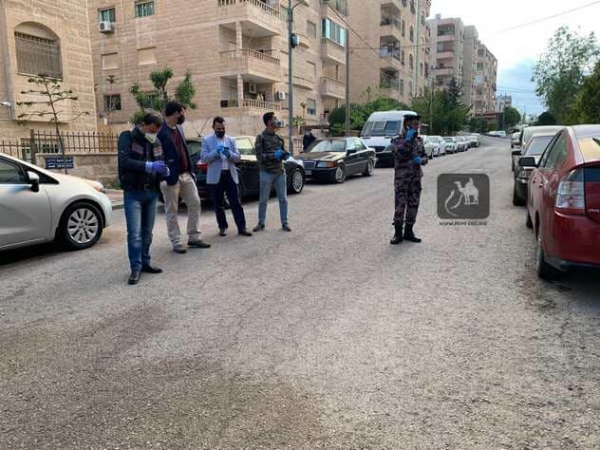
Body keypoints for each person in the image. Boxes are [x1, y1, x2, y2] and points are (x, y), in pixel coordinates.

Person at [118, 113, 169, 285]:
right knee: (135, 234)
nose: (153, 134)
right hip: (133, 192)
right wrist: (148, 166)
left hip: (151, 192)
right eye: (151, 130)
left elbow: (160, 161)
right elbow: (125, 161)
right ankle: (135, 268)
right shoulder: (128, 137)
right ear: (143, 125)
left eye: (156, 132)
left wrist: (164, 170)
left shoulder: (156, 142)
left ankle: (145, 262)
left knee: (147, 233)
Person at [158, 101, 211, 254]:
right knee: (172, 211)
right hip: (170, 179)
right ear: (175, 113)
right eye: (182, 112)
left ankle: (194, 237)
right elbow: (157, 156)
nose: (183, 115)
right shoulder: (160, 132)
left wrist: (191, 171)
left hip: (186, 175)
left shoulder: (179, 128)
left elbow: (184, 150)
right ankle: (176, 242)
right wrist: (163, 177)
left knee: (195, 203)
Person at [201, 116, 252, 237]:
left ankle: (242, 227)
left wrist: (229, 154)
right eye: (218, 129)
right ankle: (222, 227)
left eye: (223, 128)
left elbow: (238, 157)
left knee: (236, 203)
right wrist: (216, 152)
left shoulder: (231, 140)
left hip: (230, 174)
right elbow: (204, 158)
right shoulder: (206, 140)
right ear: (213, 128)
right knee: (218, 204)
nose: (221, 131)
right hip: (216, 177)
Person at [390, 114, 428, 245]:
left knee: (413, 205)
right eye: (415, 124)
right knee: (400, 205)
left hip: (415, 178)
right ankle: (397, 234)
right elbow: (399, 153)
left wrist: (421, 160)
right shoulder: (396, 140)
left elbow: (425, 156)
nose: (418, 127)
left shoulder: (419, 141)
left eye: (418, 124)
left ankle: (409, 232)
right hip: (402, 179)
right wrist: (407, 139)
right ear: (407, 125)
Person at [253, 112, 291, 232]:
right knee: (263, 199)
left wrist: (285, 155)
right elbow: (259, 157)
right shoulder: (261, 138)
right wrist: (273, 155)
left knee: (283, 199)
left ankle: (285, 223)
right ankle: (261, 222)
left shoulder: (279, 139)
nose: (277, 120)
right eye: (275, 118)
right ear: (269, 122)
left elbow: (283, 153)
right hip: (266, 172)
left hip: (280, 172)